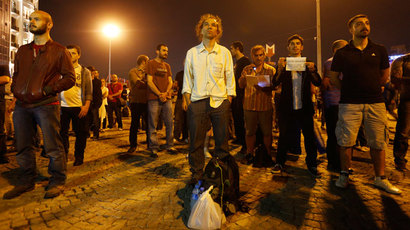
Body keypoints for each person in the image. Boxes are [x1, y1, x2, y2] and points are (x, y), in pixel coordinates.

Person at [4, 10, 75, 199]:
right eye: (30, 19)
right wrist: (16, 90)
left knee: (52, 146)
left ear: (49, 24)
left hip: (47, 104)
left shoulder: (60, 51)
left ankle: (57, 180)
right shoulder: (22, 50)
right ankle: (27, 180)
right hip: (22, 105)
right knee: (23, 145)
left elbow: (70, 78)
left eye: (36, 19)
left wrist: (47, 90)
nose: (31, 22)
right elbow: (17, 74)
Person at [329, 14, 400, 194]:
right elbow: (334, 78)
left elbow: (385, 75)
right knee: (346, 141)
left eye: (367, 23)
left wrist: (375, 87)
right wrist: (348, 90)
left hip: (375, 102)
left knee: (378, 141)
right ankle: (344, 174)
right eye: (359, 24)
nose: (364, 26)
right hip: (349, 103)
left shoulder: (379, 49)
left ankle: (380, 178)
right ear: (351, 30)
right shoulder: (342, 53)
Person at [182, 14, 235, 184]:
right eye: (206, 24)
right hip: (197, 102)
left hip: (220, 102)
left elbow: (229, 76)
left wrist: (228, 99)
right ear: (201, 29)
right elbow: (187, 79)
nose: (210, 27)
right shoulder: (192, 53)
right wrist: (189, 102)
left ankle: (220, 173)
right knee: (196, 142)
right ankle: (197, 174)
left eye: (214, 25)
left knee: (222, 142)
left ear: (218, 30)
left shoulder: (224, 52)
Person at [271, 34, 322, 177]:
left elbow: (318, 82)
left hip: (304, 107)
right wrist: (280, 69)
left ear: (302, 47)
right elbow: (275, 82)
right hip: (287, 107)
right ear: (288, 47)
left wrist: (312, 70)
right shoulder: (283, 62)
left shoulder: (309, 63)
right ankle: (280, 162)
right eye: (292, 44)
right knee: (283, 136)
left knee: (309, 137)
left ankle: (311, 164)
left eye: (297, 44)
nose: (295, 46)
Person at [238, 45, 275, 165]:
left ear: (264, 55)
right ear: (252, 56)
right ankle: (249, 153)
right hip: (249, 105)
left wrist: (265, 87)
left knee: (267, 132)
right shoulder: (247, 69)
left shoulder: (270, 70)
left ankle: (267, 154)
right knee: (249, 132)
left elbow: (276, 87)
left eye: (261, 55)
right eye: (256, 55)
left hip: (265, 105)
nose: (259, 58)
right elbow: (241, 85)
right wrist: (245, 78)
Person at [59, 45, 92, 166]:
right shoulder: (60, 70)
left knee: (81, 133)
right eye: (68, 53)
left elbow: (89, 91)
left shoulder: (84, 71)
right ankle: (64, 155)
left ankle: (79, 156)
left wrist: (86, 106)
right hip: (62, 106)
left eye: (73, 53)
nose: (70, 55)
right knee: (62, 133)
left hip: (79, 106)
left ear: (79, 55)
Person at [322, 39, 348, 171]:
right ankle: (336, 163)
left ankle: (335, 162)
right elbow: (326, 83)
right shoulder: (331, 62)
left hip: (336, 102)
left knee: (336, 135)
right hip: (336, 103)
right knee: (337, 135)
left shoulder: (329, 62)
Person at [146, 44, 175, 157]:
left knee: (169, 123)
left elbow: (170, 81)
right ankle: (154, 147)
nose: (166, 53)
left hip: (166, 98)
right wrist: (159, 94)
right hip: (154, 98)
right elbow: (149, 81)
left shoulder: (167, 66)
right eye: (163, 50)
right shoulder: (151, 64)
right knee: (153, 124)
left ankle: (170, 145)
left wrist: (166, 93)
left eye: (167, 51)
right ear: (157, 51)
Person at [230, 41, 251, 153]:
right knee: (236, 117)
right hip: (235, 94)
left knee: (242, 118)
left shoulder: (245, 61)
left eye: (232, 49)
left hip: (242, 95)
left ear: (237, 49)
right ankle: (239, 138)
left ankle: (244, 142)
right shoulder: (237, 62)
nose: (231, 51)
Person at [391, 53, 410, 171]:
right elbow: (395, 79)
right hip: (407, 100)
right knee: (404, 131)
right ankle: (400, 160)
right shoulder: (402, 60)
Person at [128, 54, 149, 153]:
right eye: (147, 61)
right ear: (143, 62)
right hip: (136, 101)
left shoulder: (148, 72)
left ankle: (150, 144)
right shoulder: (133, 71)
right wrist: (148, 82)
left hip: (146, 101)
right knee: (134, 124)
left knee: (149, 124)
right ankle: (133, 145)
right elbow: (138, 84)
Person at [87, 66, 102, 140]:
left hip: (95, 103)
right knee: (87, 119)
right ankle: (87, 133)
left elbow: (97, 92)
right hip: (87, 102)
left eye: (91, 71)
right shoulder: (86, 80)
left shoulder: (97, 81)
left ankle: (96, 135)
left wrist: (91, 80)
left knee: (95, 119)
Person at [0, 65, 11, 164]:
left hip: (0, 102)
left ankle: (2, 155)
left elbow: (6, 79)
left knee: (0, 129)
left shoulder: (2, 66)